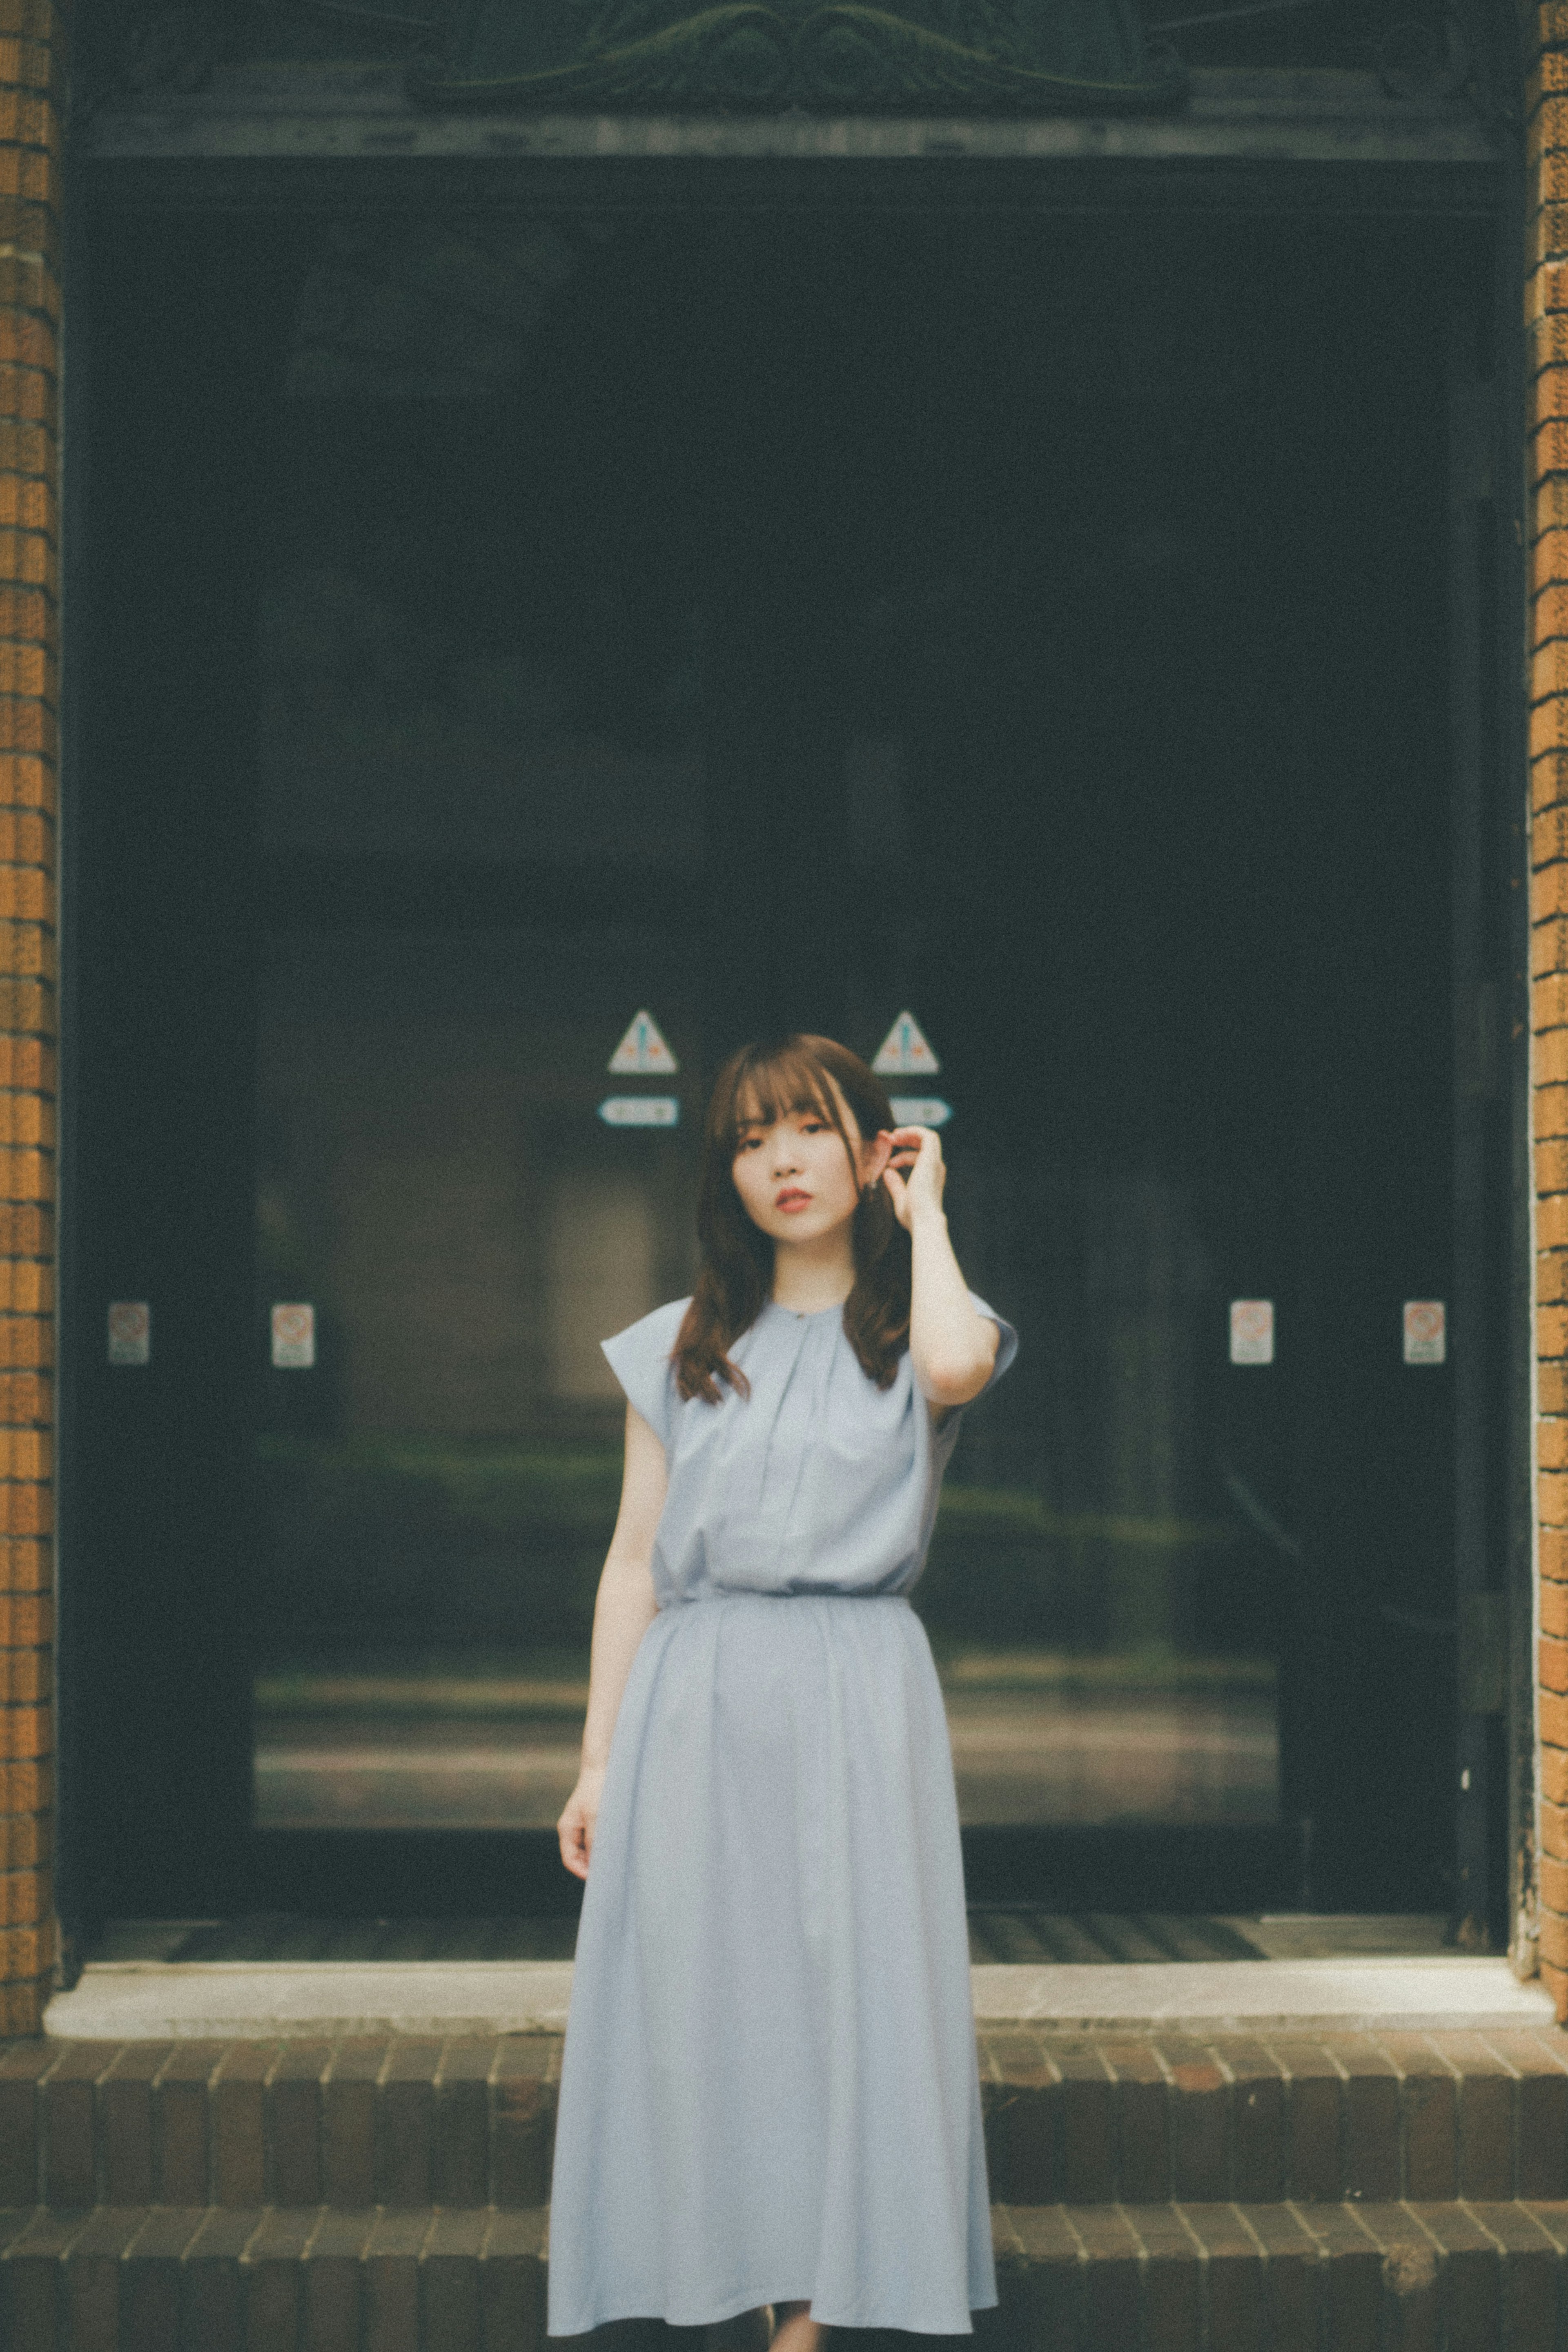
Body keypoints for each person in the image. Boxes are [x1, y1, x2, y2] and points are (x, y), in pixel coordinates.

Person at [547, 1032, 1018, 2345]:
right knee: (720, 2013)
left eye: (806, 1129)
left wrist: (925, 1219)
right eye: (749, 1141)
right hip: (697, 1703)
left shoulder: (917, 1324)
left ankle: (819, 2312)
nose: (778, 1163)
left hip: (859, 1694)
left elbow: (958, 1369)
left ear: (870, 1148)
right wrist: (597, 1760)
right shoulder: (679, 1343)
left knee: (849, 2008)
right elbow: (634, 1560)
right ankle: (771, 2309)